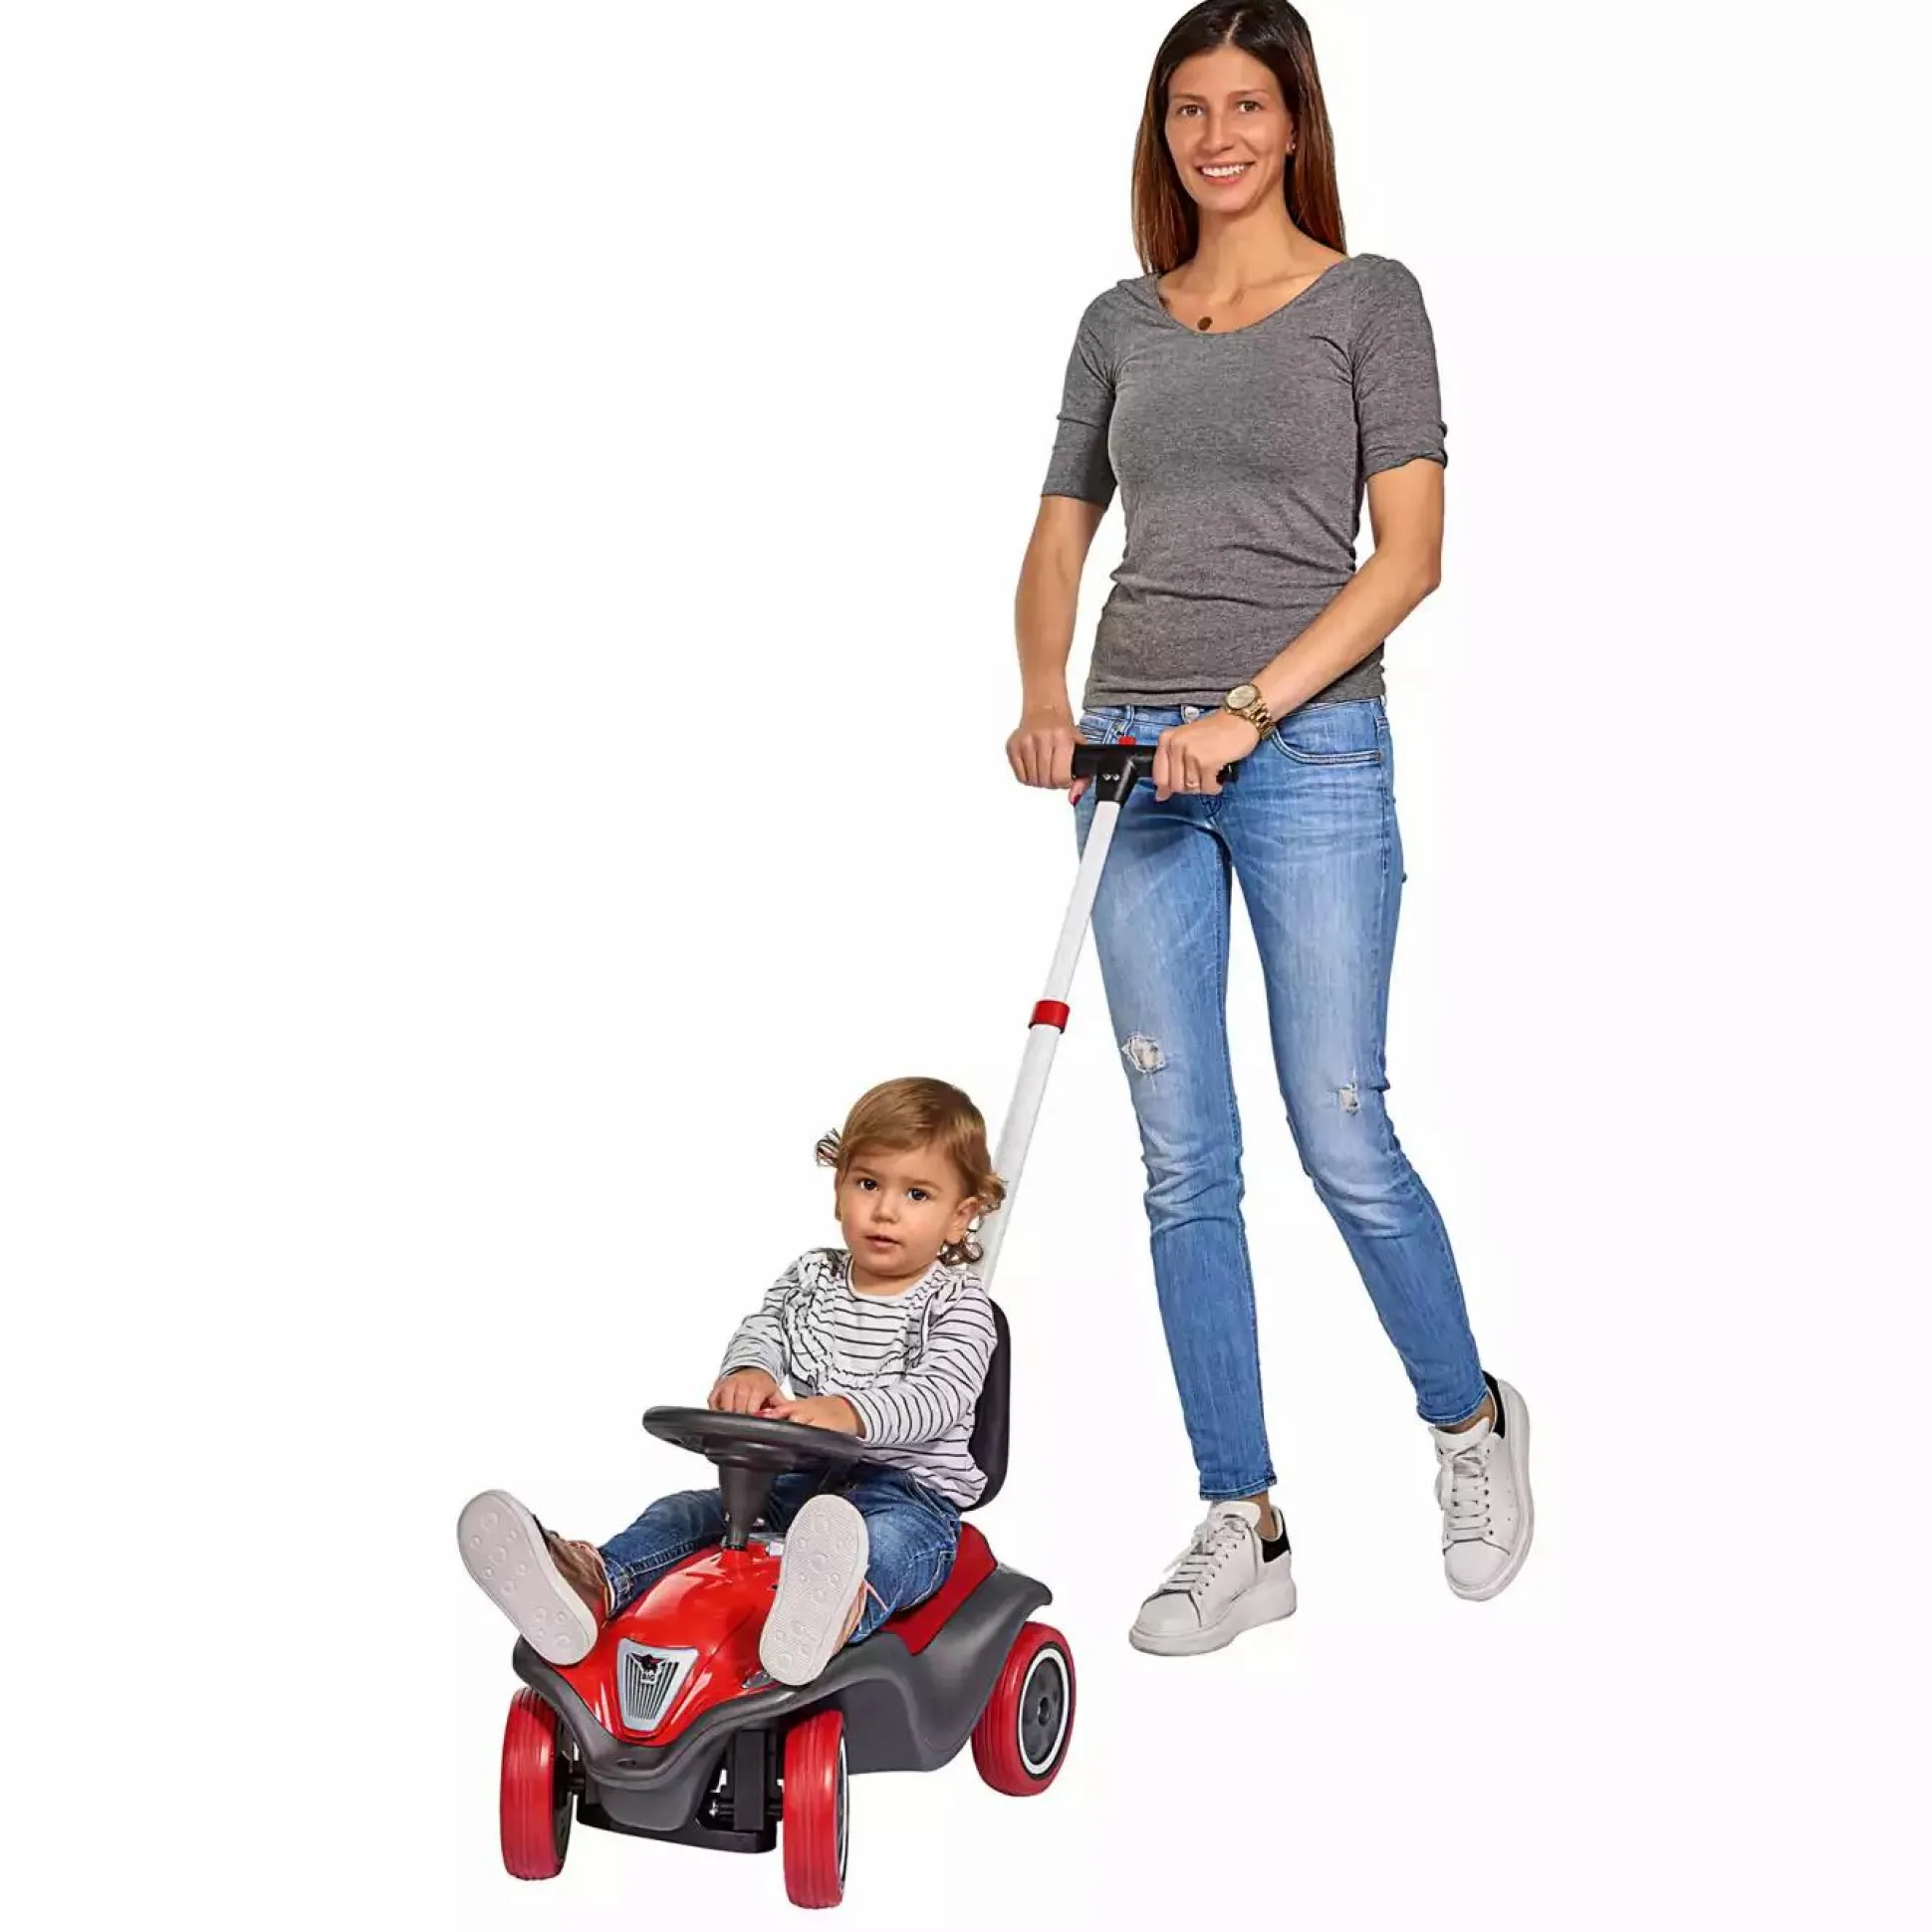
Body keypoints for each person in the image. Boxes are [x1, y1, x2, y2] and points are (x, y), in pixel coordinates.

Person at [1007, 0, 1532, 1657]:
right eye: (1189, 109)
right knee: (1183, 1161)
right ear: (1161, 131)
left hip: (1307, 756)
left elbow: (1410, 556)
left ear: (1295, 121)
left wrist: (1248, 709)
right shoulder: (1117, 321)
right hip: (1128, 763)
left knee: (1341, 1127)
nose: (1216, 137)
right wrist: (1044, 694)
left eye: (1247, 105)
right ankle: (1243, 1520)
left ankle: (1470, 1424)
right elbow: (1058, 536)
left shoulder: (1372, 301)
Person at [457, 1077, 1006, 1688]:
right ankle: (594, 1583)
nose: (885, 1210)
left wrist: (848, 1413)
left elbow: (940, 1396)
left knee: (888, 1545)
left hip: (908, 1495)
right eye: (868, 1184)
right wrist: (750, 1371)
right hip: (798, 1482)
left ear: (961, 1218)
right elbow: (764, 1328)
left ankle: (829, 1611)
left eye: (917, 1194)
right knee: (688, 1512)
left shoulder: (959, 1306)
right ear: (838, 1189)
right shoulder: (812, 1279)